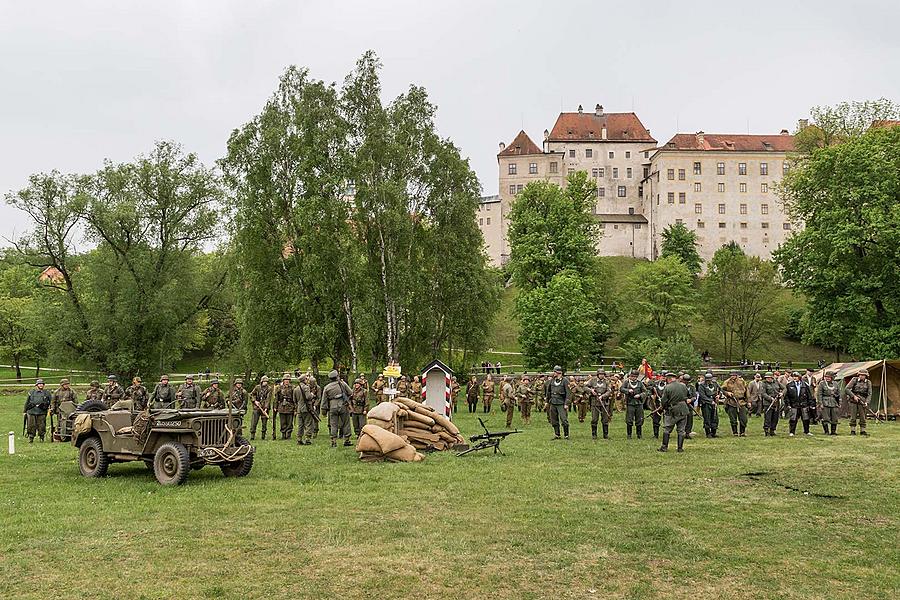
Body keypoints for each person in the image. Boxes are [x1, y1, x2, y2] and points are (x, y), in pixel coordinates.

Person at [658, 372, 689, 453]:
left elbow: (664, 400)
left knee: (667, 429)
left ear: (669, 379)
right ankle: (680, 448)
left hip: (672, 410)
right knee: (681, 430)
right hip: (683, 409)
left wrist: (663, 407)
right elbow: (686, 396)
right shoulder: (683, 386)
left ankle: (664, 447)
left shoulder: (668, 387)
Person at [321, 370, 353, 447]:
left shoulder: (327, 387)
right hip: (343, 405)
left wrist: (324, 411)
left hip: (332, 406)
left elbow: (324, 400)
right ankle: (347, 440)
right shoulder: (342, 384)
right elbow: (351, 392)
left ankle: (333, 441)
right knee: (346, 423)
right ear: (337, 376)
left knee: (333, 424)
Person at [544, 366, 570, 440]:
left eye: (555, 372)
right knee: (554, 420)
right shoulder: (552, 381)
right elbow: (548, 392)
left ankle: (566, 435)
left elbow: (568, 393)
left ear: (559, 372)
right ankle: (557, 434)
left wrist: (566, 403)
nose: (553, 373)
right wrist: (546, 402)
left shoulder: (565, 381)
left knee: (564, 420)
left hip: (561, 403)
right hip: (553, 402)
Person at [784, 371, 813, 436]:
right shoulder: (789, 385)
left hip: (804, 404)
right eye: (793, 376)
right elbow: (787, 396)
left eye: (796, 376)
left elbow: (809, 395)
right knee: (793, 419)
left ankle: (807, 431)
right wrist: (788, 404)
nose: (795, 378)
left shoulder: (805, 385)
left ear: (799, 377)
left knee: (806, 419)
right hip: (794, 405)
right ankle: (792, 432)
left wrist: (810, 404)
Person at [721, 371, 749, 436]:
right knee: (733, 419)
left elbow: (747, 391)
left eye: (734, 375)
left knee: (743, 419)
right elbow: (721, 389)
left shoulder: (742, 381)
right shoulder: (727, 382)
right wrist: (727, 393)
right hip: (731, 402)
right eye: (731, 375)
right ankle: (735, 432)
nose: (733, 376)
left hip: (741, 402)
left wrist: (748, 401)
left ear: (736, 375)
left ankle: (742, 432)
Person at [620, 370, 646, 439]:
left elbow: (645, 392)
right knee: (629, 419)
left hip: (639, 403)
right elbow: (621, 389)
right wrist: (628, 390)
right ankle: (629, 435)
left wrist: (640, 395)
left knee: (639, 419)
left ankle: (639, 435)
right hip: (630, 403)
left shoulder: (640, 383)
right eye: (632, 376)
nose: (633, 378)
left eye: (635, 376)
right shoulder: (626, 382)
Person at [845, 369, 871, 436]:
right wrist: (853, 396)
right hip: (853, 400)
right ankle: (852, 430)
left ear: (866, 376)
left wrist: (867, 402)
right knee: (853, 416)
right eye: (860, 375)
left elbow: (869, 394)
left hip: (863, 401)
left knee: (862, 416)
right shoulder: (854, 380)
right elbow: (847, 389)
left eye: (863, 375)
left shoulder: (868, 382)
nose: (861, 376)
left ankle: (863, 431)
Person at [587, 370, 612, 440]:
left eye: (603, 374)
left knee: (605, 419)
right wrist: (591, 391)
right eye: (600, 374)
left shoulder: (607, 381)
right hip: (595, 403)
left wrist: (603, 396)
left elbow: (609, 391)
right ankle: (594, 435)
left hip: (604, 403)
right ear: (597, 374)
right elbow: (585, 387)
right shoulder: (592, 380)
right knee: (594, 419)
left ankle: (605, 434)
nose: (602, 375)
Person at [816, 370, 841, 436]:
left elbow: (838, 394)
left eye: (829, 377)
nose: (827, 378)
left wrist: (839, 403)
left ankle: (833, 431)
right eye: (826, 377)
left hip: (833, 402)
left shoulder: (835, 384)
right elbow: (819, 394)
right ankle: (826, 431)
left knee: (834, 417)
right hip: (825, 402)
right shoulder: (822, 383)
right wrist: (820, 403)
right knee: (825, 418)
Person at [697, 372, 721, 438]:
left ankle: (714, 432)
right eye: (707, 380)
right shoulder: (701, 385)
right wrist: (710, 401)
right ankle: (708, 433)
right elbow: (702, 395)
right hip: (706, 404)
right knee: (707, 418)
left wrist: (718, 396)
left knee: (715, 418)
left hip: (714, 402)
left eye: (710, 380)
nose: (709, 381)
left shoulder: (715, 384)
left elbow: (720, 390)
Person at [294, 374, 316, 445]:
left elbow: (294, 400)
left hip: (299, 409)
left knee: (300, 425)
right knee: (308, 423)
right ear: (304, 380)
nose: (307, 380)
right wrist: (312, 394)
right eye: (306, 379)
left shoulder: (296, 389)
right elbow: (308, 397)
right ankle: (307, 439)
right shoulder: (306, 388)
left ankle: (299, 439)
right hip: (306, 408)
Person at [249, 375, 273, 441]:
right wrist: (255, 401)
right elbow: (251, 394)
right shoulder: (257, 387)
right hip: (256, 407)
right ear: (261, 381)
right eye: (264, 381)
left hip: (265, 408)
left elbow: (268, 399)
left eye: (266, 381)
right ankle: (252, 435)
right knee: (254, 422)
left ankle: (263, 436)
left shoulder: (269, 388)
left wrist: (266, 408)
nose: (265, 382)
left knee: (264, 422)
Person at [275, 375, 295, 440]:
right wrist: (275, 407)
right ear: (283, 381)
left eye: (288, 380)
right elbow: (276, 398)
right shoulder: (279, 388)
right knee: (282, 422)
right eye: (285, 380)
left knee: (289, 422)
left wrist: (295, 408)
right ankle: (283, 434)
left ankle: (288, 435)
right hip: (281, 406)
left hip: (290, 406)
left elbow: (295, 399)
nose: (286, 381)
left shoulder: (293, 388)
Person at [681, 373, 697, 438]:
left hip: (690, 405)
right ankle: (682, 432)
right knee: (682, 419)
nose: (686, 382)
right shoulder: (680, 386)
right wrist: (685, 399)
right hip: (682, 405)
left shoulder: (692, 387)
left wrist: (691, 400)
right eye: (685, 381)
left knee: (690, 419)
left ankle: (688, 432)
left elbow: (695, 396)